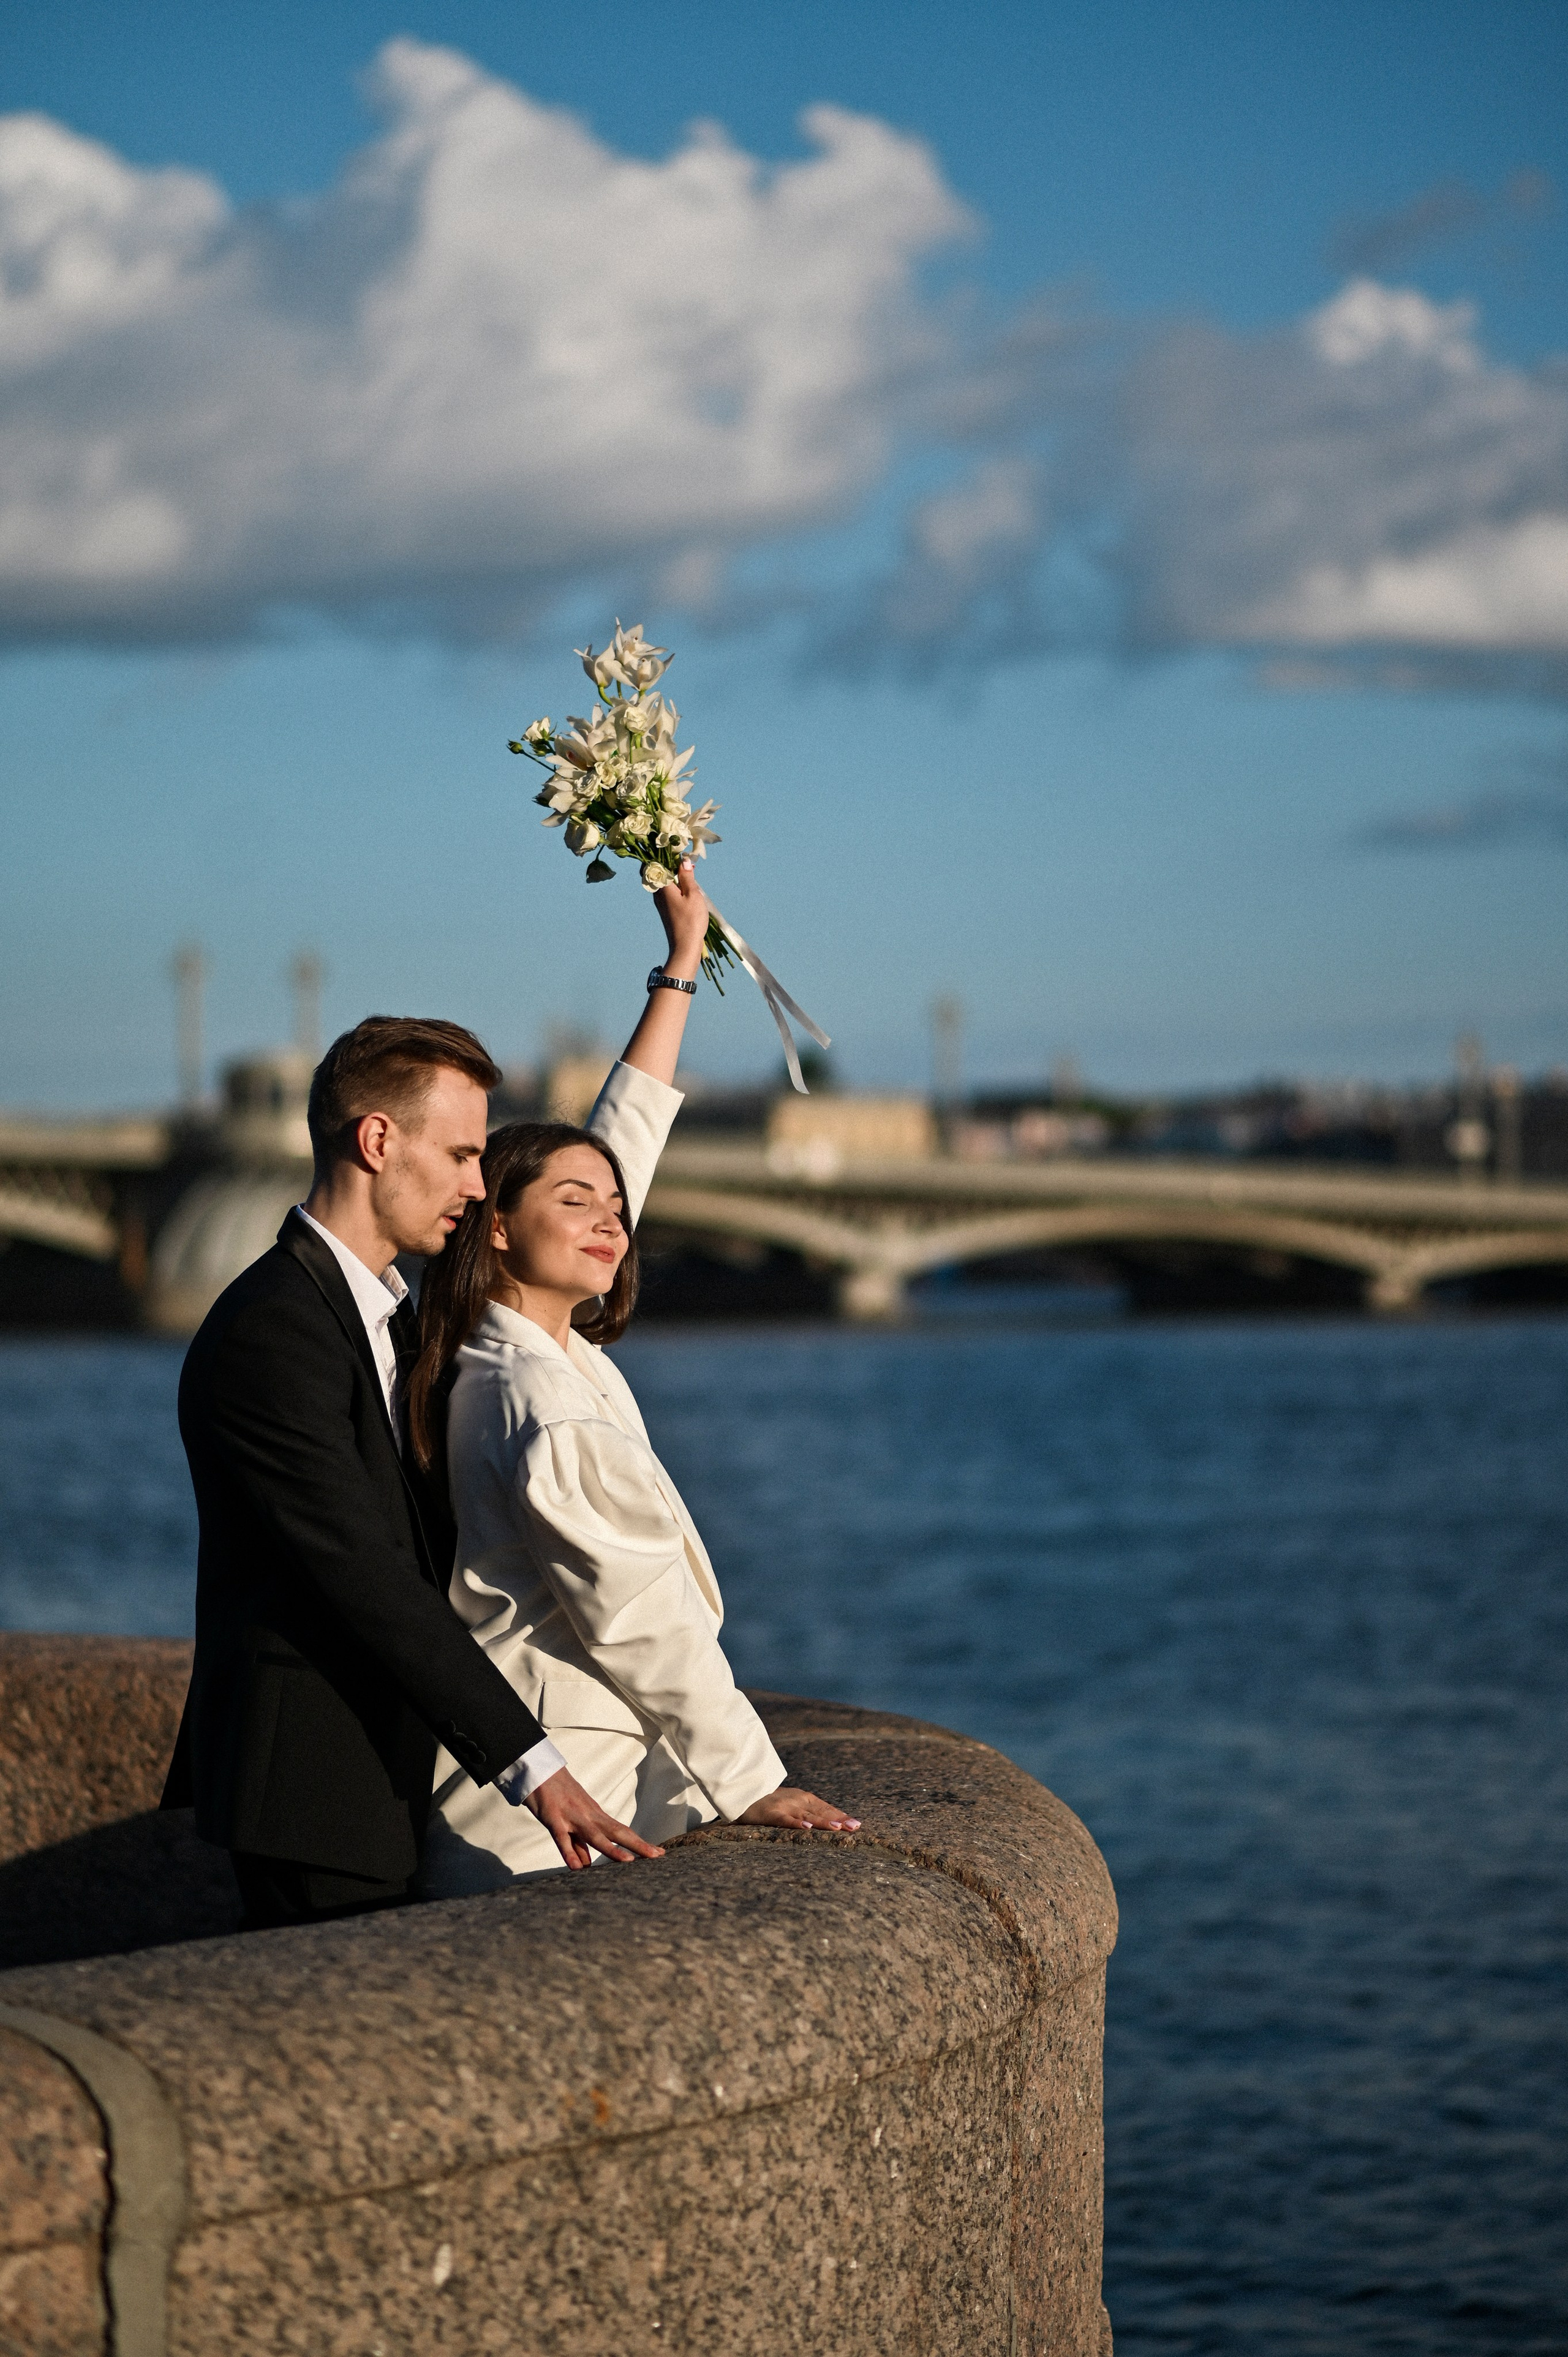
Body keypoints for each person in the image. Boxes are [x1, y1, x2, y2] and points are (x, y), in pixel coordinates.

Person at [161, 961, 673, 1928]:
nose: (480, 1187)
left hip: (399, 1776)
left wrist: (676, 980)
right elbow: (361, 1570)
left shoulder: (406, 1316)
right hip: (314, 1792)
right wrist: (535, 1768)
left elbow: (591, 1200)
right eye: (463, 1156)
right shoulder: (271, 1332)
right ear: (377, 1139)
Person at [406, 861, 858, 1893]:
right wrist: (753, 1781)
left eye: (617, 1206)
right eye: (577, 1205)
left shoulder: (510, 1345)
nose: (611, 1219)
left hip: (540, 1795)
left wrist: (681, 969)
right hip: (550, 1834)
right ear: (501, 1227)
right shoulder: (544, 1407)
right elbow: (643, 1622)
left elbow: (615, 1150)